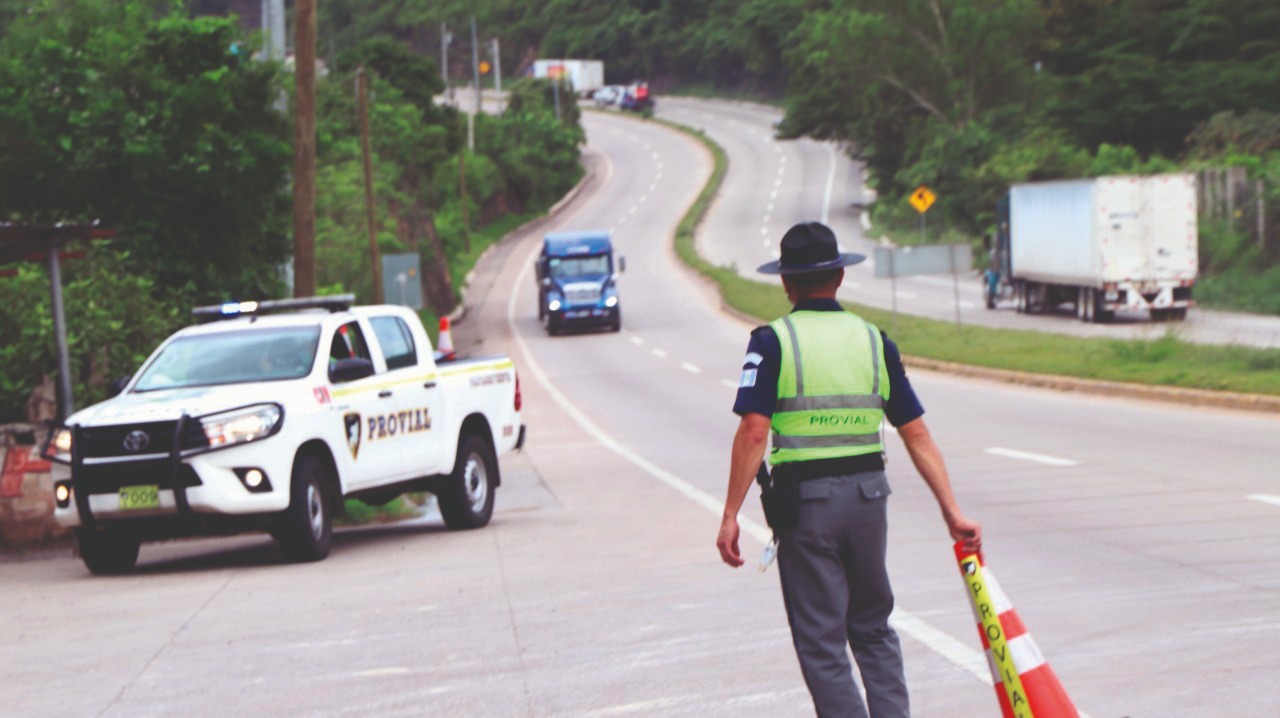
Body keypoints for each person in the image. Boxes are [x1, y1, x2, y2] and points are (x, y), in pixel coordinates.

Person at [716, 222, 982, 718]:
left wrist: (731, 514)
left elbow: (754, 431)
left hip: (807, 508)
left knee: (821, 641)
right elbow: (917, 434)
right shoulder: (875, 341)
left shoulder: (772, 342)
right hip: (869, 499)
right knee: (874, 627)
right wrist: (952, 511)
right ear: (839, 277)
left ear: (786, 283)